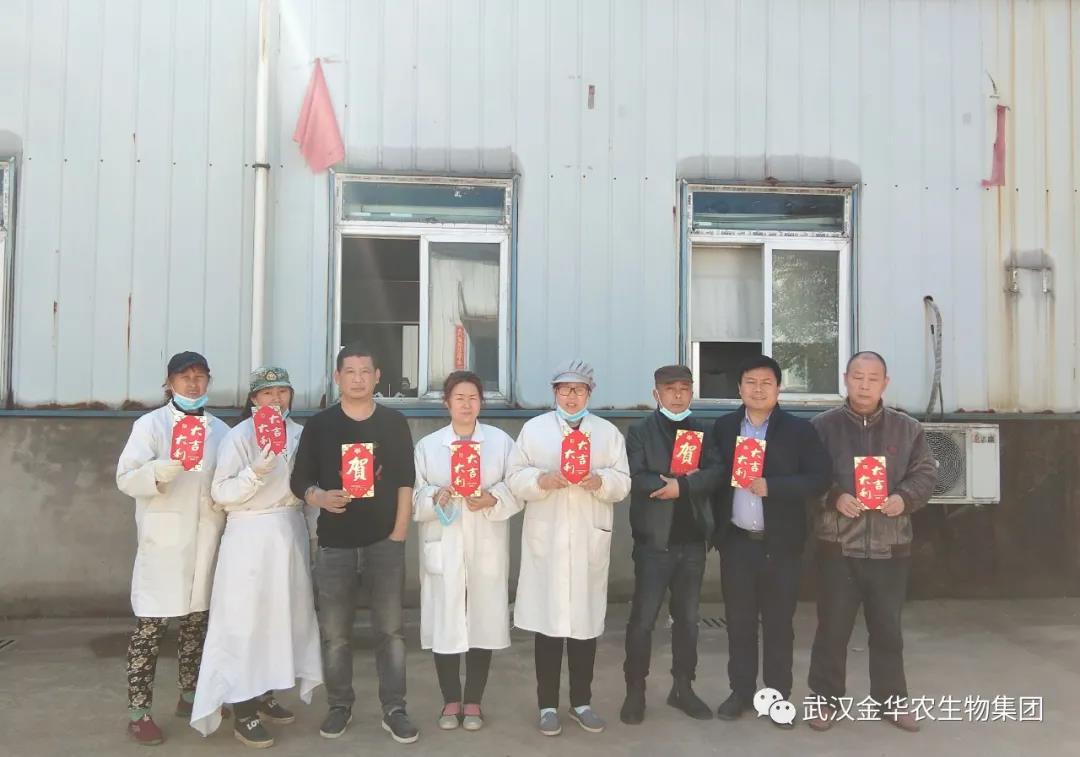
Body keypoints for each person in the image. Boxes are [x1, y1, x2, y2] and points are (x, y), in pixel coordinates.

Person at [289, 343, 419, 744]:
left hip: (384, 542)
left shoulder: (393, 422)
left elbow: (406, 481)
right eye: (350, 372)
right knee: (335, 634)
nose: (358, 379)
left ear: (377, 376)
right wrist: (319, 497)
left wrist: (399, 533)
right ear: (338, 377)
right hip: (335, 544)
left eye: (366, 371)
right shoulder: (320, 425)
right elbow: (299, 480)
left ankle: (394, 709)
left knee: (391, 631)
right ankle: (339, 706)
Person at [190, 367, 322, 747]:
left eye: (282, 392)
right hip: (249, 535)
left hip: (289, 532)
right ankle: (243, 708)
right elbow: (222, 493)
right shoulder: (239, 437)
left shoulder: (301, 435)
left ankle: (266, 692)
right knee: (245, 621)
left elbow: (309, 489)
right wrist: (255, 472)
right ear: (253, 399)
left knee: (281, 619)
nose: (276, 400)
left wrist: (315, 535)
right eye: (267, 394)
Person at [806, 351, 936, 733]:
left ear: (885, 383)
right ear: (845, 378)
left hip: (890, 547)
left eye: (872, 378)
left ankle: (892, 701)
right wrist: (833, 496)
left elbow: (926, 474)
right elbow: (806, 475)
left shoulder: (907, 429)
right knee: (832, 629)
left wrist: (904, 498)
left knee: (887, 630)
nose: (864, 385)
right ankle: (825, 700)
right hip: (837, 546)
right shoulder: (821, 428)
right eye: (857, 377)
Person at [507, 360, 631, 737]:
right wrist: (541, 480)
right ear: (554, 393)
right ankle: (547, 706)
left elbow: (623, 481)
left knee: (584, 628)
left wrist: (600, 481)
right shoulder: (535, 430)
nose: (571, 396)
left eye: (578, 389)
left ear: (590, 393)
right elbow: (514, 476)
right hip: (547, 539)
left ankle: (582, 703)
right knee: (548, 628)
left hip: (588, 539)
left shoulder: (607, 433)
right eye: (564, 389)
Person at [710, 355, 832, 727]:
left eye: (766, 382)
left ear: (779, 388)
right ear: (739, 388)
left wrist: (773, 486)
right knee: (739, 622)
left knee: (779, 624)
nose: (758, 389)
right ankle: (741, 692)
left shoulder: (799, 431)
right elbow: (712, 476)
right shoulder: (724, 427)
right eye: (750, 382)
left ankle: (777, 697)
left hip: (781, 545)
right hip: (737, 543)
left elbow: (819, 479)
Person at [115, 351, 229, 746]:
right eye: (185, 377)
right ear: (169, 383)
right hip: (164, 544)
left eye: (200, 376)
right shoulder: (151, 426)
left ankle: (190, 695)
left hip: (206, 540)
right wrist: (158, 471)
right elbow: (125, 477)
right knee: (150, 629)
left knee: (196, 624)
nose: (193, 384)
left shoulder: (221, 430)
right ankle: (139, 713)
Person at [412, 371, 521, 732]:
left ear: (481, 403)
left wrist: (493, 498)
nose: (466, 404)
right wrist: (435, 496)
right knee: (445, 622)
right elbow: (415, 494)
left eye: (473, 398)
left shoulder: (500, 442)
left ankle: (473, 700)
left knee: (482, 622)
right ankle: (450, 700)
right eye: (459, 398)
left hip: (485, 541)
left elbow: (515, 487)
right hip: (444, 543)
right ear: (447, 403)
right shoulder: (428, 446)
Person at [620, 365, 723, 725]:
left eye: (684, 388)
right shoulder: (640, 432)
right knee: (643, 621)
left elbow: (716, 472)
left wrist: (685, 486)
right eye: (670, 389)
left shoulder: (703, 430)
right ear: (656, 394)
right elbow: (635, 475)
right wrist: (671, 483)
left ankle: (683, 687)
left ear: (692, 392)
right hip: (654, 542)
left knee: (689, 621)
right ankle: (635, 690)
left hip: (692, 541)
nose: (678, 395)